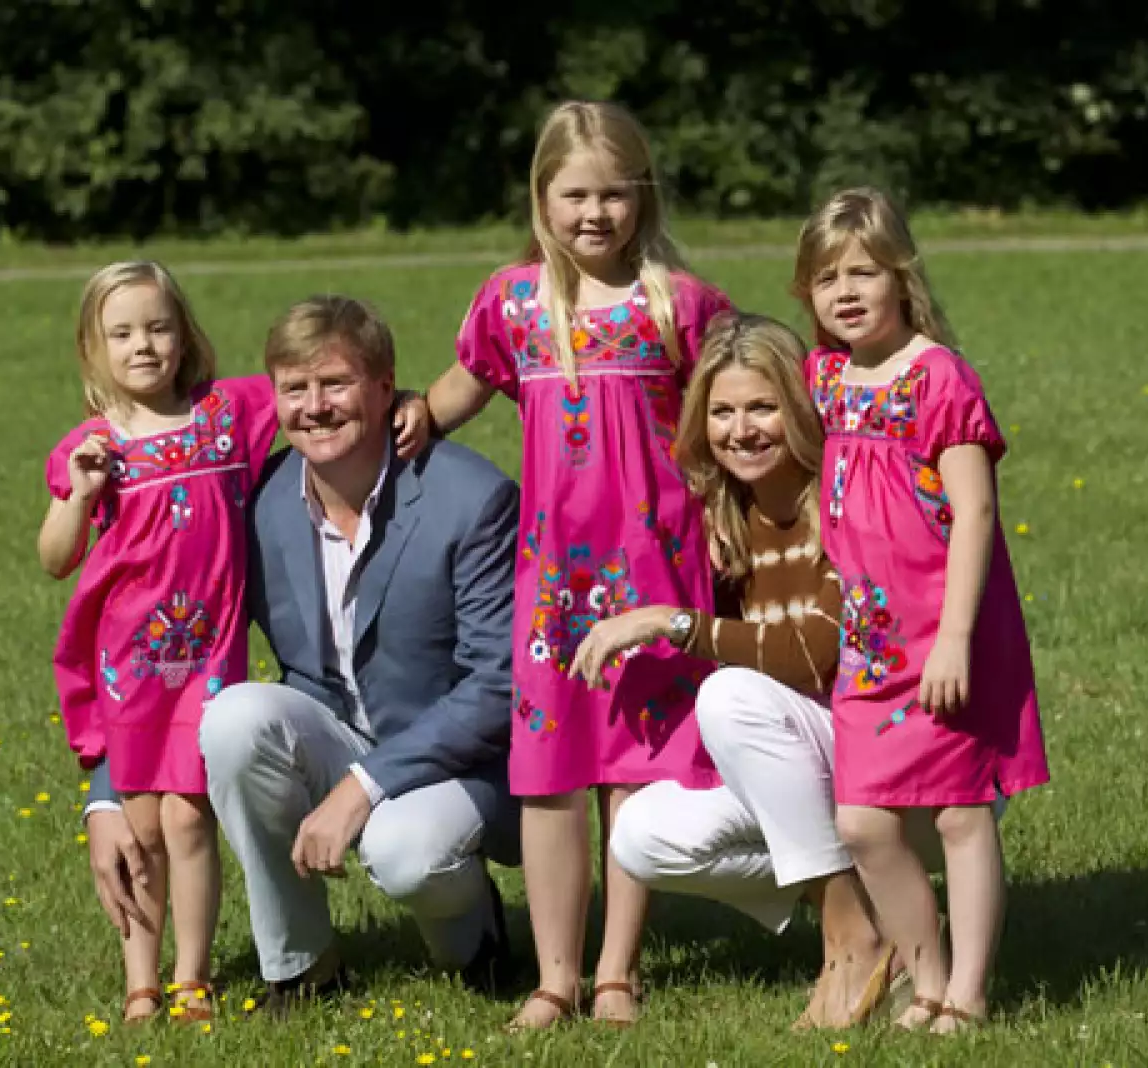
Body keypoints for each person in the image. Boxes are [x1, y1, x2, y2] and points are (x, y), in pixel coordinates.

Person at [84, 294, 521, 1013]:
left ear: (386, 390)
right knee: (233, 717)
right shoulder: (256, 503)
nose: (315, 407)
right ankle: (300, 964)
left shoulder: (473, 498)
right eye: (295, 388)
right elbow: (162, 653)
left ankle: (477, 938)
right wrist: (107, 797)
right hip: (335, 728)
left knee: (403, 853)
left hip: (459, 760)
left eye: (336, 384)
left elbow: (497, 685)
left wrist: (363, 788)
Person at [399, 100, 732, 1030]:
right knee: (550, 775)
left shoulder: (681, 303)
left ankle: (618, 969)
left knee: (635, 769)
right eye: (575, 195)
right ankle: (556, 976)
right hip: (554, 582)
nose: (595, 214)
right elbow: (471, 378)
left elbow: (739, 401)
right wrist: (425, 411)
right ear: (542, 200)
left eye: (613, 195)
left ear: (643, 197)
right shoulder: (514, 300)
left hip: (657, 568)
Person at [571, 312, 894, 1029]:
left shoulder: (845, 492)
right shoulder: (717, 514)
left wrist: (671, 622)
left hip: (898, 763)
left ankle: (854, 938)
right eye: (722, 411)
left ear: (799, 410)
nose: (740, 429)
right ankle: (867, 909)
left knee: (731, 696)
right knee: (642, 835)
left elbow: (817, 655)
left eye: (761, 407)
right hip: (804, 761)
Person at [795, 187, 1049, 1033]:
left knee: (958, 810)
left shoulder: (939, 376)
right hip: (869, 639)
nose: (846, 292)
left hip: (946, 635)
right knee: (862, 821)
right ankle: (925, 974)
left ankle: (967, 994)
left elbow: (974, 512)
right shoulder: (824, 377)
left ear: (901, 276)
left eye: (863, 271)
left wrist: (955, 640)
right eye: (827, 278)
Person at [40, 260, 281, 1023]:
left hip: (210, 657)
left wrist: (394, 398)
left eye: (158, 327)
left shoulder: (230, 413)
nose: (143, 345)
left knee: (188, 817)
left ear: (185, 335)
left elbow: (317, 381)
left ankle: (192, 977)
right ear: (93, 349)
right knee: (141, 826)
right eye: (122, 333)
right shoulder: (95, 445)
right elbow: (54, 559)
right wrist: (79, 495)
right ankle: (139, 980)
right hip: (131, 666)